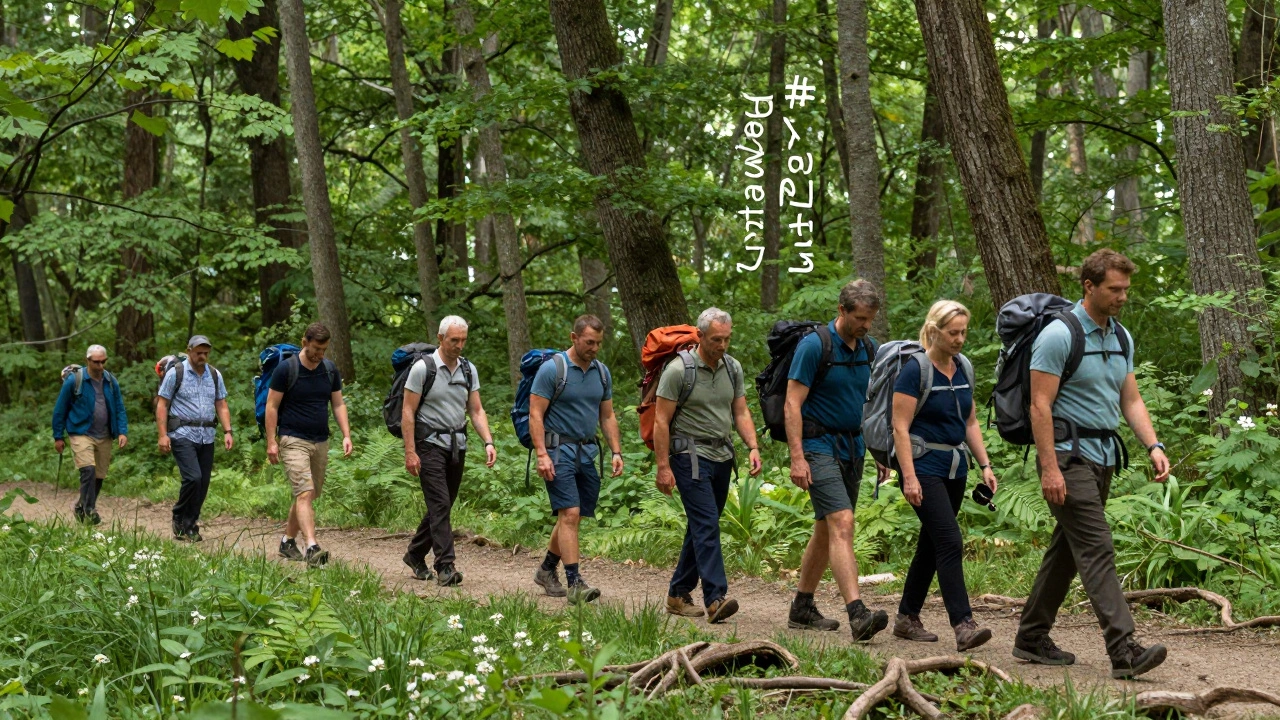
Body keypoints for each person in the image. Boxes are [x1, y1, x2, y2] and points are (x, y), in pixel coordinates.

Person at [1015, 249, 1170, 679]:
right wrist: (1049, 468)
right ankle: (1124, 649)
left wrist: (1153, 444)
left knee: (1068, 550)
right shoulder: (1059, 335)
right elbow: (1039, 406)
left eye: (1126, 289)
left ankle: (1030, 637)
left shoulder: (1121, 336)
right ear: (1089, 286)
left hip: (1103, 457)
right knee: (1098, 546)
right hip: (1067, 456)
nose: (1122, 297)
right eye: (1113, 289)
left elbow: (1131, 398)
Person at [785, 279, 891, 641]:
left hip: (854, 447)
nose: (865, 326)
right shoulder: (815, 346)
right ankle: (857, 614)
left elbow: (872, 404)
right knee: (843, 522)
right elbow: (792, 403)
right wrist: (797, 457)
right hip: (818, 445)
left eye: (870, 319)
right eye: (860, 318)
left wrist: (878, 447)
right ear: (842, 310)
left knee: (826, 527)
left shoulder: (869, 349)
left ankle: (801, 606)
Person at [890, 300, 996, 651]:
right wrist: (908, 477)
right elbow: (900, 428)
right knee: (950, 540)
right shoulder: (914, 370)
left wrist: (985, 465)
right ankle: (963, 623)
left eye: (964, 331)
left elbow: (970, 421)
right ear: (935, 331)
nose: (960, 339)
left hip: (956, 467)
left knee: (932, 542)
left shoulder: (963, 367)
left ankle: (906, 617)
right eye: (953, 332)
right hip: (923, 466)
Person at [655, 308, 763, 623]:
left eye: (727, 338)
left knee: (702, 525)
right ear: (700, 336)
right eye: (717, 339)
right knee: (706, 525)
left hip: (722, 456)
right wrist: (663, 466)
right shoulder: (678, 371)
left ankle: (677, 593)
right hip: (688, 456)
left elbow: (740, 411)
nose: (723, 345)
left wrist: (753, 446)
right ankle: (715, 598)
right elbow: (661, 421)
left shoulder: (733, 368)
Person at [530, 314, 623, 604]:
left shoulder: (602, 373)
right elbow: (535, 414)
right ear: (574, 338)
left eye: (598, 343)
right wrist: (542, 454)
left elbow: (606, 415)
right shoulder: (552, 370)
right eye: (588, 342)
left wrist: (616, 451)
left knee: (574, 515)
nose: (594, 348)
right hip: (558, 450)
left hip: (588, 452)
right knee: (569, 513)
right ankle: (574, 582)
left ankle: (546, 569)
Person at [401, 316, 497, 587]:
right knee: (440, 503)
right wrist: (410, 451)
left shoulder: (468, 370)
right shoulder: (423, 368)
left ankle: (414, 554)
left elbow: (475, 410)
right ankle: (445, 566)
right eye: (454, 340)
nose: (459, 345)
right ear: (440, 338)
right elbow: (407, 411)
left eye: (463, 340)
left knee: (441, 505)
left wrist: (488, 441)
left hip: (458, 445)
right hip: (428, 444)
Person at [265, 323, 353, 568]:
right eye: (316, 348)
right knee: (304, 493)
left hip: (320, 440)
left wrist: (346, 434)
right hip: (293, 439)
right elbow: (271, 406)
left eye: (324, 349)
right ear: (305, 342)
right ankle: (312, 546)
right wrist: (271, 441)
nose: (319, 354)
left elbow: (337, 404)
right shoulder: (286, 369)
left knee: (309, 494)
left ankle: (287, 541)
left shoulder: (329, 369)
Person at [155, 335, 233, 542]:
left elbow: (221, 404)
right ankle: (180, 515)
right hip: (182, 433)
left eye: (206, 353)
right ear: (189, 351)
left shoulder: (214, 375)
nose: (202, 356)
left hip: (206, 435)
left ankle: (190, 524)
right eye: (198, 352)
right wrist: (163, 435)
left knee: (203, 482)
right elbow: (162, 404)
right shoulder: (176, 374)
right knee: (193, 477)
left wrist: (228, 431)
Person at [52, 344, 128, 524]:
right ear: (88, 361)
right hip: (80, 431)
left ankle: (81, 505)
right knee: (88, 470)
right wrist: (58, 436)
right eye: (96, 362)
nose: (100, 366)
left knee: (99, 475)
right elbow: (59, 410)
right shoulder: (74, 381)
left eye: (103, 362)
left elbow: (119, 407)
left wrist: (122, 431)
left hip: (105, 434)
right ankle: (90, 509)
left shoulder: (110, 381)